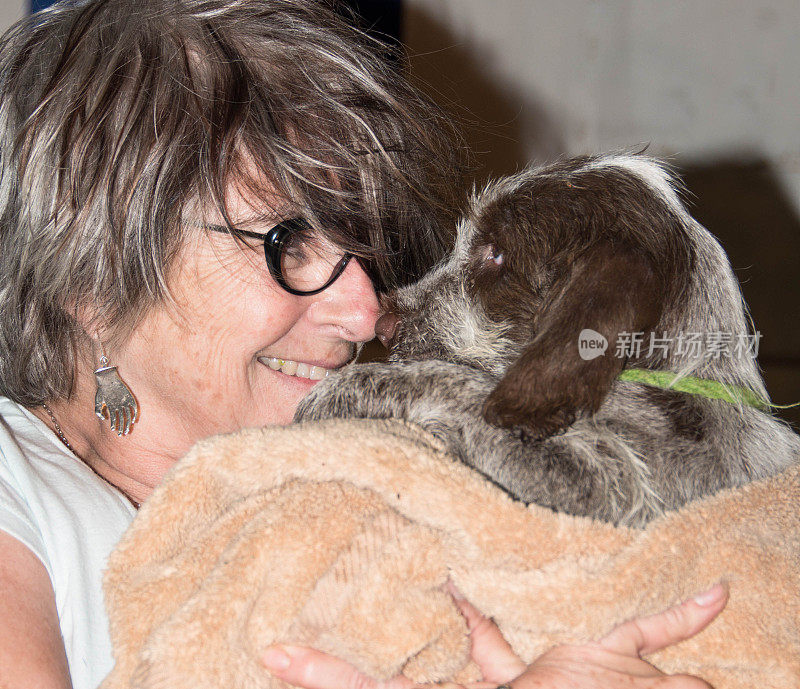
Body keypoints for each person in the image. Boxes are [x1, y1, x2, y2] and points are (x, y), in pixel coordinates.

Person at [0, 1, 726, 688]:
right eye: (287, 240)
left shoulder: (392, 473)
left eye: (363, 246)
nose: (366, 310)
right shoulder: (18, 492)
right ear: (95, 279)